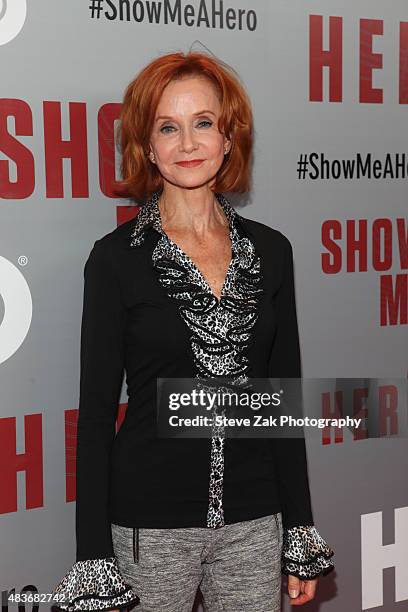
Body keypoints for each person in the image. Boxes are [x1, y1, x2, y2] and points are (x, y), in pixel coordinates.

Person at [51, 51, 334, 612]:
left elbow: (281, 403)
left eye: (203, 123)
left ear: (229, 138)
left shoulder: (272, 252)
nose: (187, 144)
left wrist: (298, 530)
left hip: (256, 523)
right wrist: (92, 557)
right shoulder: (114, 261)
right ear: (147, 146)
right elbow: (95, 415)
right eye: (168, 127)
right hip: (149, 530)